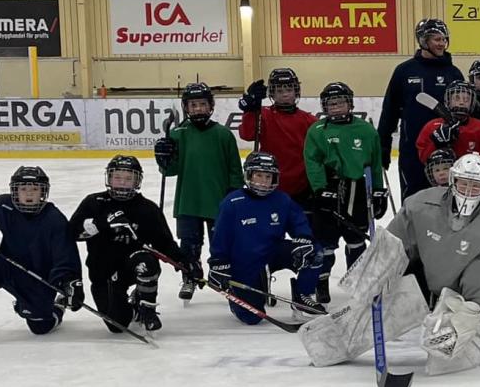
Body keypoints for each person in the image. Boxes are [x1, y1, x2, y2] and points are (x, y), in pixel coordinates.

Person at [299, 152, 480, 377]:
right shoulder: (421, 204)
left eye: (476, 185)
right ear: (452, 180)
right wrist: (372, 279)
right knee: (341, 332)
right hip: (421, 280)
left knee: (442, 354)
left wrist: (466, 315)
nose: (468, 191)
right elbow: (393, 244)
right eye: (463, 182)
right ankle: (332, 338)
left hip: (457, 297)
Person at [0, 166, 82, 344]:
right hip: (6, 267)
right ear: (14, 191)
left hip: (37, 279)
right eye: (23, 189)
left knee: (40, 328)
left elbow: (65, 257)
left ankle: (58, 305)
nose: (28, 194)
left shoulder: (54, 219)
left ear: (43, 192)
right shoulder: (3, 205)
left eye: (34, 189)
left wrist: (69, 283)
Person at [68, 155, 184, 337]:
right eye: (118, 177)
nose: (122, 183)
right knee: (117, 325)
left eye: (128, 178)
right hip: (103, 272)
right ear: (109, 178)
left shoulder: (147, 208)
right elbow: (72, 233)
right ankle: (135, 306)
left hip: (133, 266)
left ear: (137, 181)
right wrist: (102, 224)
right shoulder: (93, 203)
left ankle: (148, 309)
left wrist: (185, 262)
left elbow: (164, 243)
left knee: (145, 262)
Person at [153, 81, 242, 301]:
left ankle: (222, 276)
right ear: (186, 107)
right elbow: (169, 171)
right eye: (193, 105)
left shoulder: (223, 135)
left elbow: (234, 170)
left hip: (218, 201)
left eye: (202, 104)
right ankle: (189, 277)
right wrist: (162, 157)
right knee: (189, 244)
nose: (198, 109)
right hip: (189, 200)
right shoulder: (178, 134)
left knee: (222, 244)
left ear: (211, 106)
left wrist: (236, 196)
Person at [208, 152, 321, 322]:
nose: (263, 181)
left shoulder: (282, 200)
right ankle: (238, 292)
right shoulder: (232, 202)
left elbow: (299, 223)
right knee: (252, 318)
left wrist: (304, 238)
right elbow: (221, 238)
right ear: (248, 175)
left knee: (314, 251)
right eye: (259, 175)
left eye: (268, 176)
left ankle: (302, 295)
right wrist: (218, 264)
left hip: (273, 252)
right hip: (244, 262)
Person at [304, 81, 387, 305]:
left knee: (356, 240)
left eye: (340, 102)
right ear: (324, 107)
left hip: (357, 191)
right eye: (331, 104)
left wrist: (378, 191)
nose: (336, 107)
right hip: (329, 190)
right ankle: (321, 282)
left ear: (349, 104)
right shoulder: (317, 131)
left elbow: (375, 163)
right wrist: (320, 189)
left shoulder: (366, 130)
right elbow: (312, 162)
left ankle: (357, 280)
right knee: (325, 243)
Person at [379, 17, 465, 199]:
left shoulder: (453, 73)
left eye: (444, 39)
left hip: (445, 148)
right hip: (412, 150)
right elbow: (390, 111)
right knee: (413, 199)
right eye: (437, 39)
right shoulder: (404, 71)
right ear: (423, 40)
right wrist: (383, 146)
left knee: (448, 200)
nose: (442, 44)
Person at [235, 68, 316, 202]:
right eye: (279, 91)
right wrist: (249, 111)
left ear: (296, 92)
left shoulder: (309, 121)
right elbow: (247, 134)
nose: (285, 95)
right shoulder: (263, 114)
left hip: (301, 187)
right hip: (269, 184)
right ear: (272, 94)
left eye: (289, 90)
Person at [416, 80, 480, 165]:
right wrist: (436, 144)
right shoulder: (431, 126)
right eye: (456, 98)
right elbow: (424, 159)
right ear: (448, 101)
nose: (461, 102)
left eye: (466, 99)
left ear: (472, 103)